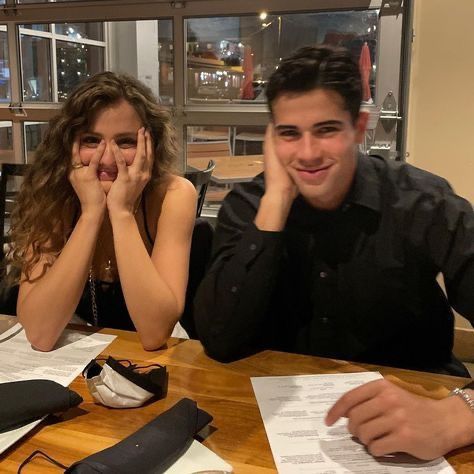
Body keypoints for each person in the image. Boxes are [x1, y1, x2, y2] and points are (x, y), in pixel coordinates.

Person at [194, 44, 474, 376]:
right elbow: (218, 338)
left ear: (358, 127)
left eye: (326, 130)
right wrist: (277, 199)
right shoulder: (249, 205)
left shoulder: (421, 201)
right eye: (289, 134)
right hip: (278, 406)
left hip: (412, 400)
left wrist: (464, 407)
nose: (308, 153)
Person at [9, 72, 197, 351]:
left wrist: (121, 212)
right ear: (69, 143)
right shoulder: (52, 194)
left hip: (156, 361)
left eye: (125, 142)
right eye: (91, 140)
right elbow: (39, 333)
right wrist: (91, 213)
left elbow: (155, 332)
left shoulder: (174, 194)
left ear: (150, 146)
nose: (108, 159)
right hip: (78, 355)